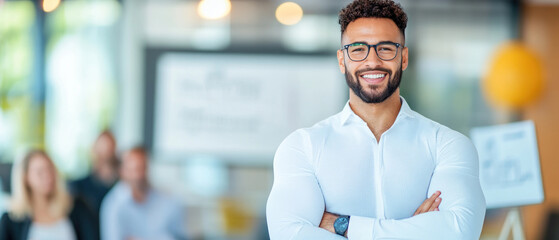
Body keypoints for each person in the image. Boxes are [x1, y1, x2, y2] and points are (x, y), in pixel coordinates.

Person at [266, 0, 486, 239]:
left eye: (386, 48)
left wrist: (343, 225)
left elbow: (460, 233)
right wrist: (414, 231)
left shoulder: (448, 145)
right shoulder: (302, 147)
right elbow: (289, 234)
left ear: (403, 58)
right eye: (358, 49)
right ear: (342, 60)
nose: (372, 61)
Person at [0, 149, 97, 240]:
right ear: (25, 178)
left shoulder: (76, 208)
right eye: (40, 172)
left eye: (49, 170)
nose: (47, 176)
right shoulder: (11, 221)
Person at [100, 147, 187, 240]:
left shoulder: (169, 201)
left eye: (142, 168)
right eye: (133, 170)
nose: (138, 175)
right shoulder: (113, 205)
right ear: (122, 172)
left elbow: (180, 236)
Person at [68, 130, 119, 238]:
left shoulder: (121, 189)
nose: (105, 155)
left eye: (109, 150)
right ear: (93, 151)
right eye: (101, 151)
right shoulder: (78, 187)